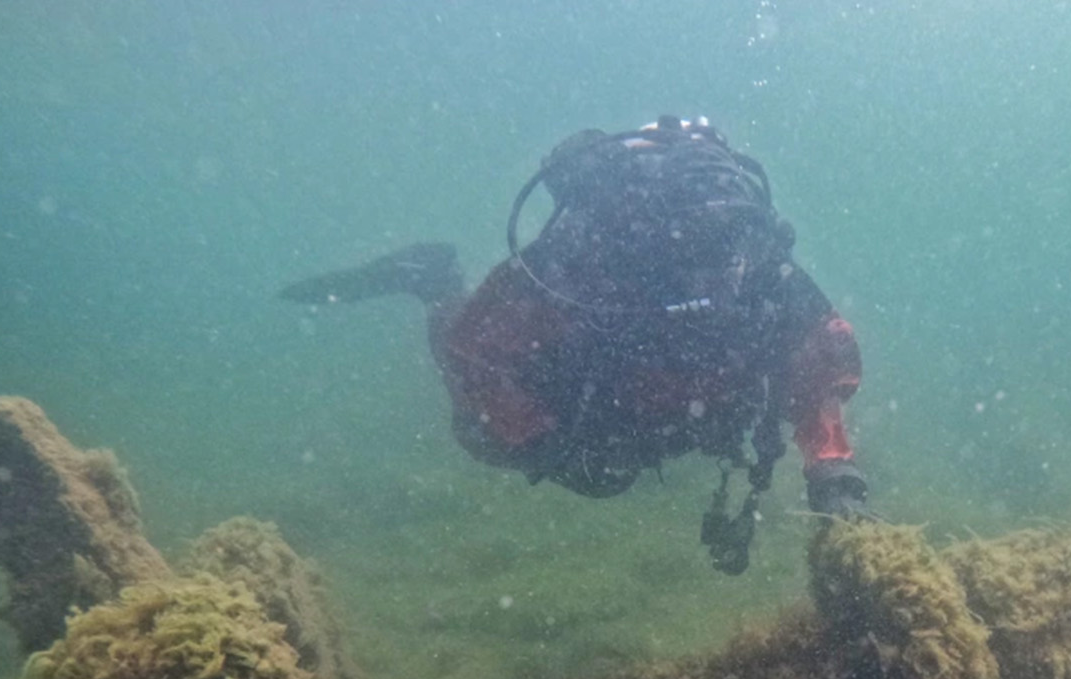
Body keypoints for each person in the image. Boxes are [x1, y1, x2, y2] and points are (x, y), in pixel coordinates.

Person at [282, 115, 870, 574]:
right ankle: (433, 281)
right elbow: (476, 349)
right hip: (595, 395)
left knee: (616, 470)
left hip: (665, 410)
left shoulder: (760, 265)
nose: (708, 289)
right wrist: (543, 438)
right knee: (480, 434)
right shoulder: (590, 261)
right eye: (691, 269)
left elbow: (821, 361)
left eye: (721, 267)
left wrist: (833, 471)